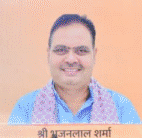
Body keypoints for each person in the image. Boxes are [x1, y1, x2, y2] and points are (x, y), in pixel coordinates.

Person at [9, 14, 140, 124]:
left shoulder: (121, 108)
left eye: (81, 50)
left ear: (94, 56)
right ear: (48, 55)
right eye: (61, 50)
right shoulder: (25, 108)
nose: (71, 59)